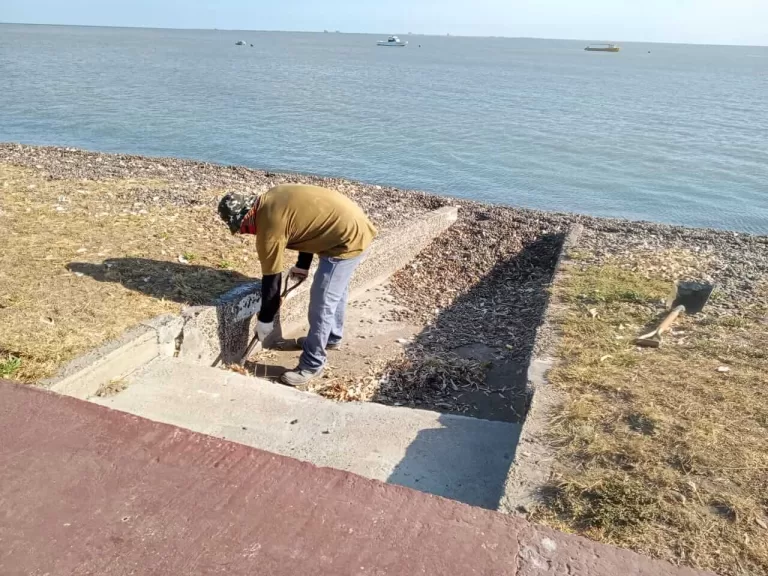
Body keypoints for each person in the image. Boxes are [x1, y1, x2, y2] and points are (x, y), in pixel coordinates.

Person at [218, 184, 377, 386]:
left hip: (347, 240)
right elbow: (306, 226)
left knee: (323, 301)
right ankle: (330, 338)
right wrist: (303, 265)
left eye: (241, 228)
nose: (244, 233)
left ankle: (312, 364)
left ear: (246, 216)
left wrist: (265, 320)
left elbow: (272, 281)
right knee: (335, 291)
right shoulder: (272, 198)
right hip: (349, 224)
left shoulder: (269, 225)